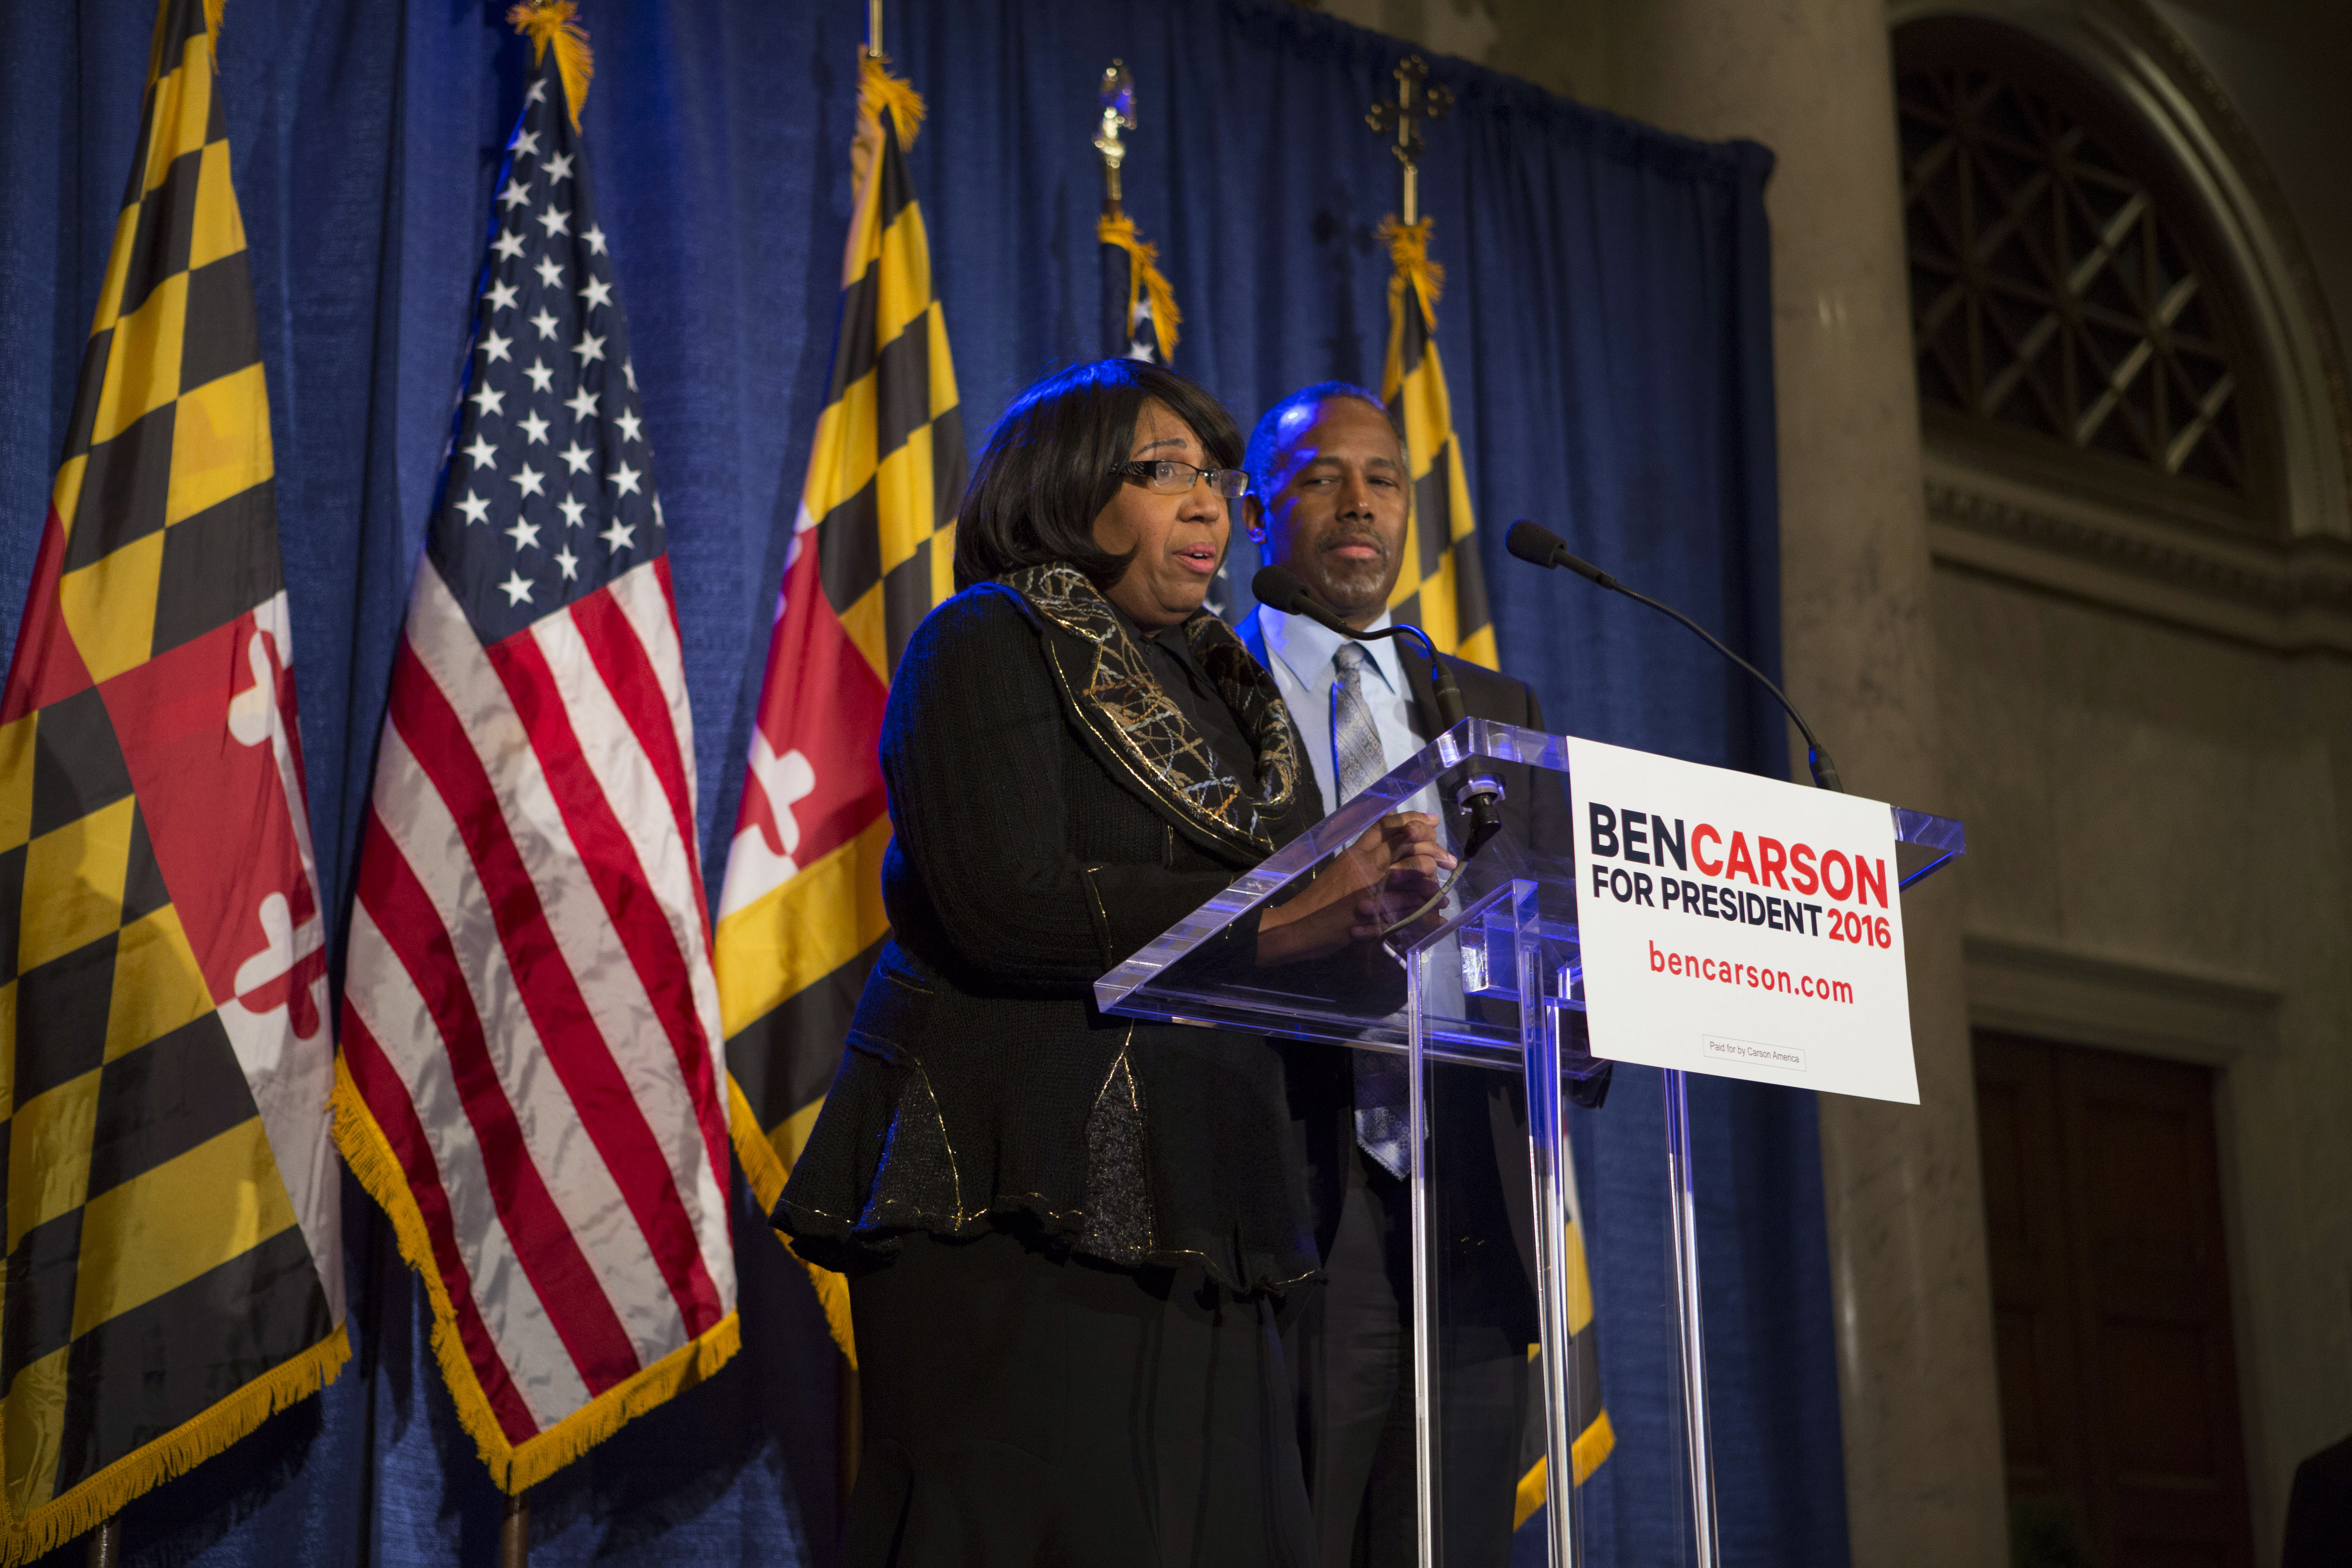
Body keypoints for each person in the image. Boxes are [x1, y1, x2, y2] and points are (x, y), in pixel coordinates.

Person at [774, 359, 1452, 1568]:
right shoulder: (986, 640)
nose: (1205, 507)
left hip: (1216, 1204)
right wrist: (1297, 923)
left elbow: (1297, 948)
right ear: (1065, 485)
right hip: (1018, 1191)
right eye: (1162, 473)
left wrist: (1388, 922)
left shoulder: (1236, 700)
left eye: (1212, 477)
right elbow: (1009, 904)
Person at [1238, 382, 1607, 1568]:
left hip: (1473, 1196)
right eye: (1320, 478)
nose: (1360, 504)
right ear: (1255, 513)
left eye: (1385, 478)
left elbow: (1557, 937)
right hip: (1292, 1190)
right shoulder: (1200, 692)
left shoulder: (1493, 710)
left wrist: (1626, 986)